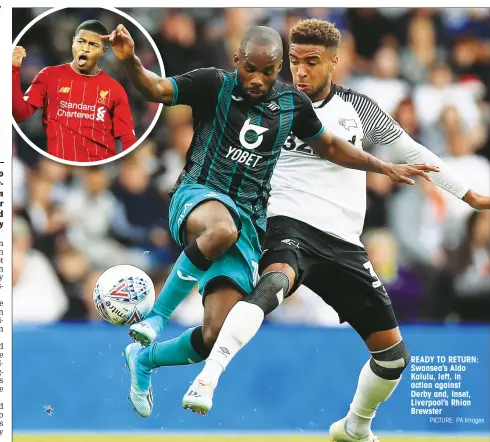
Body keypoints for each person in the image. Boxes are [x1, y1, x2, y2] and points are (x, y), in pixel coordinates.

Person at [105, 23, 437, 420]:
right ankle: (157, 317)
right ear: (237, 61)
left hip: (247, 225)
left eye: (268, 71)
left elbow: (331, 146)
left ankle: (144, 360)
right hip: (199, 196)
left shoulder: (292, 105)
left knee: (214, 334)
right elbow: (156, 90)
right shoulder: (212, 84)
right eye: (250, 69)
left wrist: (383, 166)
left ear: (278, 67)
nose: (258, 79)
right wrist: (129, 62)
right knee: (220, 228)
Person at [185, 19, 490, 442]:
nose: (301, 72)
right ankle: (210, 376)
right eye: (294, 62)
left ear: (334, 61)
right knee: (274, 282)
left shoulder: (358, 109)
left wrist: (469, 195)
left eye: (312, 62)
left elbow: (412, 152)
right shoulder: (270, 105)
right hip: (287, 222)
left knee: (393, 359)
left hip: (344, 242)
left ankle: (354, 427)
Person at [12, 20, 136, 162]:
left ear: (103, 51)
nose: (85, 48)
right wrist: (13, 70)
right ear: (73, 42)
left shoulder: (114, 89)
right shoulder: (49, 76)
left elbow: (127, 138)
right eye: (81, 41)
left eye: (93, 45)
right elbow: (19, 114)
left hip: (98, 171)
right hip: (60, 169)